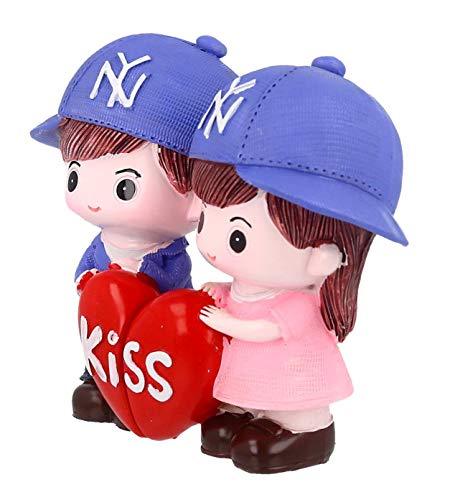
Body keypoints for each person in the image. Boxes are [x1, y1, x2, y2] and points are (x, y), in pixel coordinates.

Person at [188, 57, 407, 473]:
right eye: (204, 219)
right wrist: (220, 294)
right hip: (247, 372)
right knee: (239, 398)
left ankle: (304, 432)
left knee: (289, 402)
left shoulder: (298, 304)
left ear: (324, 253)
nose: (212, 246)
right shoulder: (250, 284)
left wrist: (226, 322)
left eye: (237, 236)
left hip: (292, 375)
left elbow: (267, 329)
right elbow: (238, 303)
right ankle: (245, 415)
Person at [30, 32, 236, 427]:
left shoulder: (167, 255)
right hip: (104, 336)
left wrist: (136, 288)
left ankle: (146, 398)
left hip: (154, 349)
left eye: (125, 185)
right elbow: (86, 272)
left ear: (201, 190)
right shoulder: (102, 244)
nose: (93, 200)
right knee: (99, 334)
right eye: (75, 175)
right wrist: (91, 282)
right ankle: (100, 381)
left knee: (155, 339)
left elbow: (169, 294)